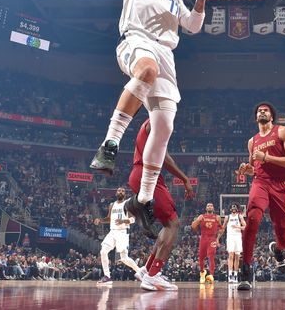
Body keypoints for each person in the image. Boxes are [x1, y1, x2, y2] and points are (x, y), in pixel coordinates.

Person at [89, 0, 215, 238]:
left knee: (163, 129)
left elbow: (193, 26)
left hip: (167, 54)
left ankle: (143, 200)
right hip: (137, 41)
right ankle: (109, 144)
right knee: (146, 70)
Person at [236, 103, 285, 290]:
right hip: (261, 183)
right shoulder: (252, 141)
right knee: (253, 218)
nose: (262, 112)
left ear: (271, 116)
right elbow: (253, 168)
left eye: (265, 110)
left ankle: (279, 250)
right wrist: (246, 169)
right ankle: (246, 272)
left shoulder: (282, 132)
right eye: (259, 111)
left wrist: (267, 158)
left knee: (284, 236)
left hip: (282, 185)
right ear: (256, 117)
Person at [128, 118, 195, 291]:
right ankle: (153, 275)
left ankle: (147, 270)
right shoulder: (157, 119)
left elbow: (163, 154)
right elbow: (164, 158)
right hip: (147, 174)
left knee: (167, 225)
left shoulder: (150, 123)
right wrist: (185, 178)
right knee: (173, 224)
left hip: (142, 173)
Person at [94, 187, 141, 285]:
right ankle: (107, 276)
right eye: (119, 190)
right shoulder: (112, 205)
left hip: (123, 232)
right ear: (116, 193)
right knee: (103, 251)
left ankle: (140, 272)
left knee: (124, 258)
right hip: (112, 232)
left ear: (125, 194)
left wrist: (123, 221)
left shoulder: (127, 204)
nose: (121, 192)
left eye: (123, 191)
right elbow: (109, 218)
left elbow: (133, 219)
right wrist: (101, 220)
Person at [191, 203, 223, 284]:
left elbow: (221, 229)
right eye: (208, 206)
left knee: (211, 256)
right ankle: (202, 273)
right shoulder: (202, 216)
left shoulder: (217, 217)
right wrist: (198, 220)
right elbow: (193, 226)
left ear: (213, 208)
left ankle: (211, 275)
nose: (210, 207)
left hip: (212, 239)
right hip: (203, 238)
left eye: (211, 206)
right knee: (201, 257)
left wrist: (218, 239)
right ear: (206, 208)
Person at [221, 204, 246, 283]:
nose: (234, 208)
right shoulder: (227, 217)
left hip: (238, 237)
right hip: (230, 237)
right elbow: (223, 228)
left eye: (235, 207)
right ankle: (230, 275)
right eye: (232, 207)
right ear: (230, 209)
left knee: (237, 257)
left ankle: (235, 275)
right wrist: (218, 237)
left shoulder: (240, 217)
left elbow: (245, 226)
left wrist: (237, 227)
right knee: (231, 256)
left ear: (237, 209)